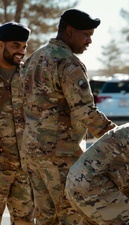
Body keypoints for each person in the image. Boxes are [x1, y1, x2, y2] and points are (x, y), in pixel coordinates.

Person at [21, 9, 117, 225]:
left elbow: (20, 105)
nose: (90, 41)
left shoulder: (35, 58)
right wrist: (118, 135)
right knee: (73, 216)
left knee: (45, 218)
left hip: (32, 153)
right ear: (69, 31)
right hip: (60, 156)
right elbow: (85, 112)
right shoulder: (67, 63)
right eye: (86, 34)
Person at [0, 22, 35, 225]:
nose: (21, 52)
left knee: (25, 221)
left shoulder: (29, 76)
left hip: (24, 167)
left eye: (24, 47)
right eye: (15, 46)